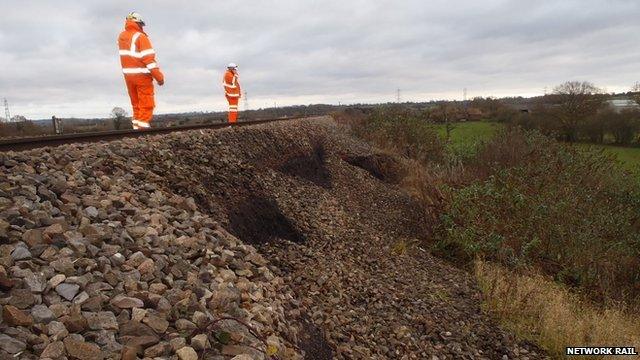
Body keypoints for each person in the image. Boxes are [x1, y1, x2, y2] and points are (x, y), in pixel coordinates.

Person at [118, 12, 164, 130]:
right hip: (142, 76)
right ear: (138, 23)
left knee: (136, 104)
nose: (142, 27)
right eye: (141, 25)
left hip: (128, 77)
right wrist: (159, 78)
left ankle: (136, 130)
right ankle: (142, 130)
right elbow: (149, 60)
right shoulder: (141, 37)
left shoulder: (122, 37)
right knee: (146, 103)